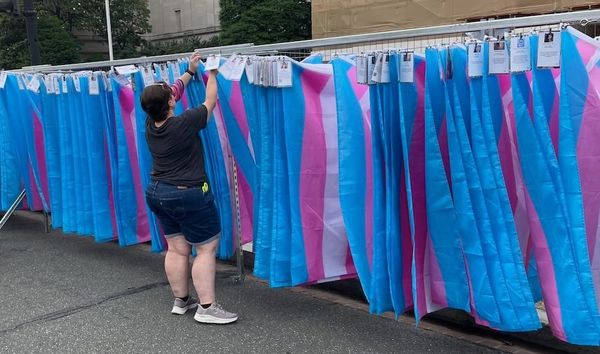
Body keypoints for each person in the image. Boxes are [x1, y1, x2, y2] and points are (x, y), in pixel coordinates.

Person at [141, 52, 238, 325]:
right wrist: (213, 74)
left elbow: (172, 92)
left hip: (157, 192)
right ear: (170, 103)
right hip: (187, 193)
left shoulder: (151, 123)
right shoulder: (184, 123)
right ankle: (207, 307)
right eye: (170, 94)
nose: (173, 93)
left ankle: (181, 301)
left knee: (176, 247)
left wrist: (190, 71)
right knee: (205, 248)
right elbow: (211, 101)